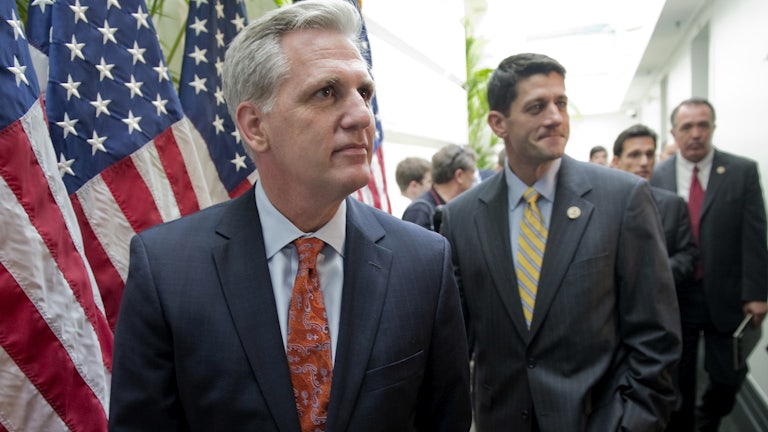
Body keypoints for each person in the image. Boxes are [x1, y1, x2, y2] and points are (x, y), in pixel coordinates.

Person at [108, 1, 472, 431]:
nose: (362, 116)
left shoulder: (424, 263)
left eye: (364, 92)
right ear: (255, 126)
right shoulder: (167, 269)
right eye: (326, 92)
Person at [440, 53, 681, 431]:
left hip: (598, 420)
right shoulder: (461, 216)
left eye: (561, 103)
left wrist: (631, 423)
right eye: (537, 107)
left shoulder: (622, 199)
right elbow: (456, 340)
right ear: (498, 123)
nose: (555, 117)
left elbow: (656, 336)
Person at [651, 97, 768, 432]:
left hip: (727, 295)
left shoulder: (741, 172)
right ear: (674, 133)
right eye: (687, 127)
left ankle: (708, 420)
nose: (696, 133)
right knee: (679, 380)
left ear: (713, 128)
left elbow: (755, 235)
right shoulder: (656, 176)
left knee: (728, 377)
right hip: (678, 296)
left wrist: (757, 292)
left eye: (703, 125)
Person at [611, 123, 697, 287]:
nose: (644, 162)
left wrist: (651, 274)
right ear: (616, 162)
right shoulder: (600, 206)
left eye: (649, 154)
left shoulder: (673, 205)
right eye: (634, 155)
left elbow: (688, 256)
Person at [402, 143, 476, 231]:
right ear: (459, 175)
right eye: (472, 172)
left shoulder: (457, 207)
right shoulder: (420, 211)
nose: (474, 178)